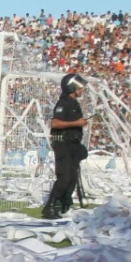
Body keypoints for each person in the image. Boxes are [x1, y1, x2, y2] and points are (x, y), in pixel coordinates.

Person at [41, 73, 89, 220]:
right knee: (64, 177)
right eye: (79, 88)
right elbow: (55, 123)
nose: (82, 90)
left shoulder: (74, 103)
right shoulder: (63, 103)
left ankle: (65, 204)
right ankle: (50, 207)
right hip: (63, 144)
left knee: (73, 178)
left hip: (73, 144)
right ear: (72, 87)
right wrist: (77, 123)